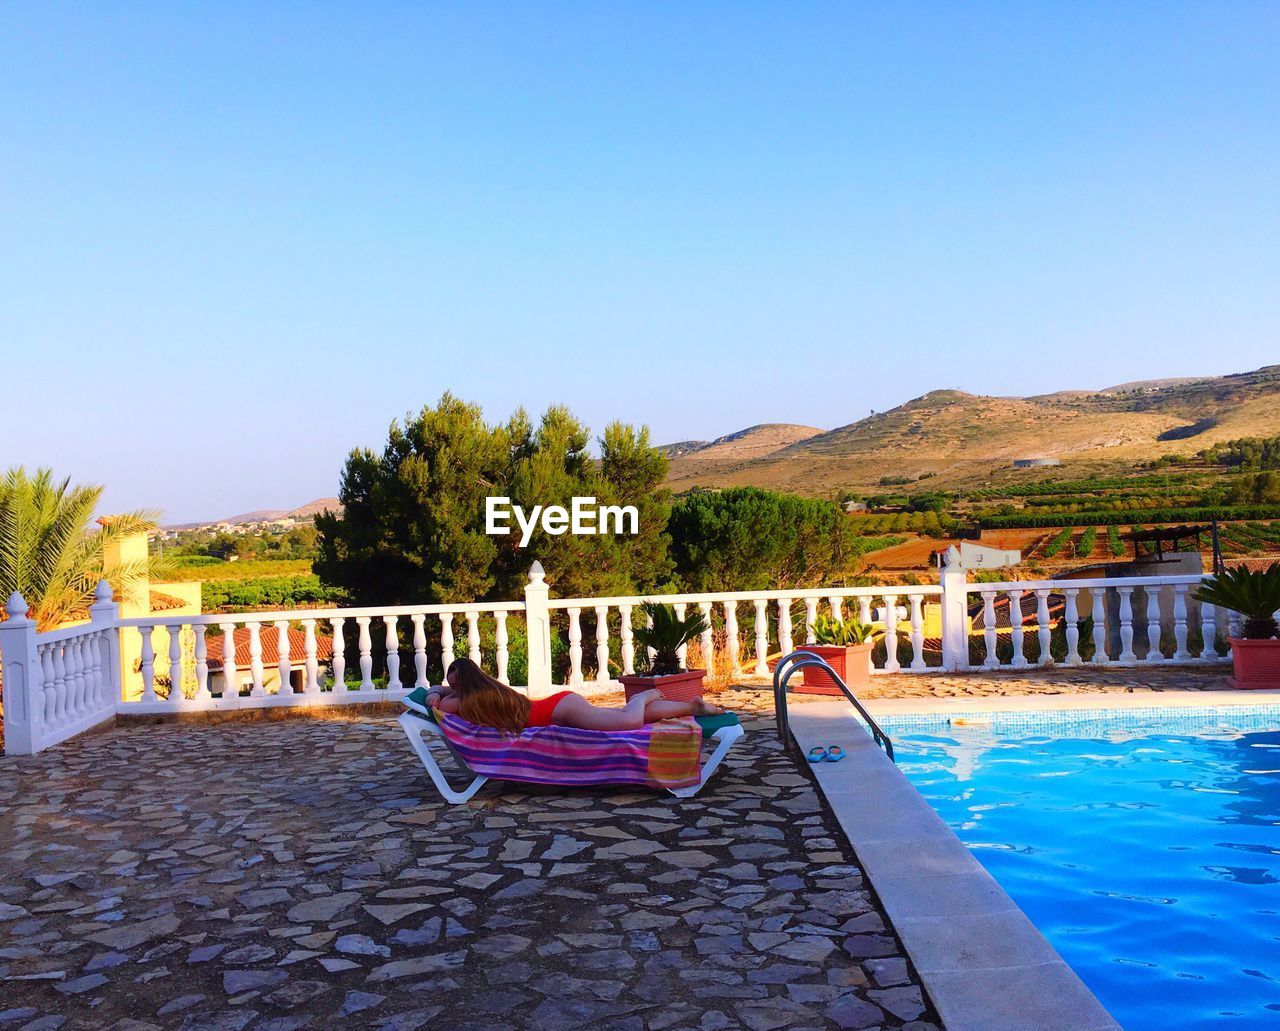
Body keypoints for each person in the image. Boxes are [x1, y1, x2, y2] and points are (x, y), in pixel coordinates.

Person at [425, 657, 726, 733]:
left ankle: (642, 697)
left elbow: (437, 699)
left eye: (456, 685)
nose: (453, 689)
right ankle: (691, 705)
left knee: (628, 722)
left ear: (466, 686)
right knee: (617, 718)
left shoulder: (466, 701)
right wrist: (441, 689)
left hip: (560, 711)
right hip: (559, 705)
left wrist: (435, 695)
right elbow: (441, 692)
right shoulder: (483, 692)